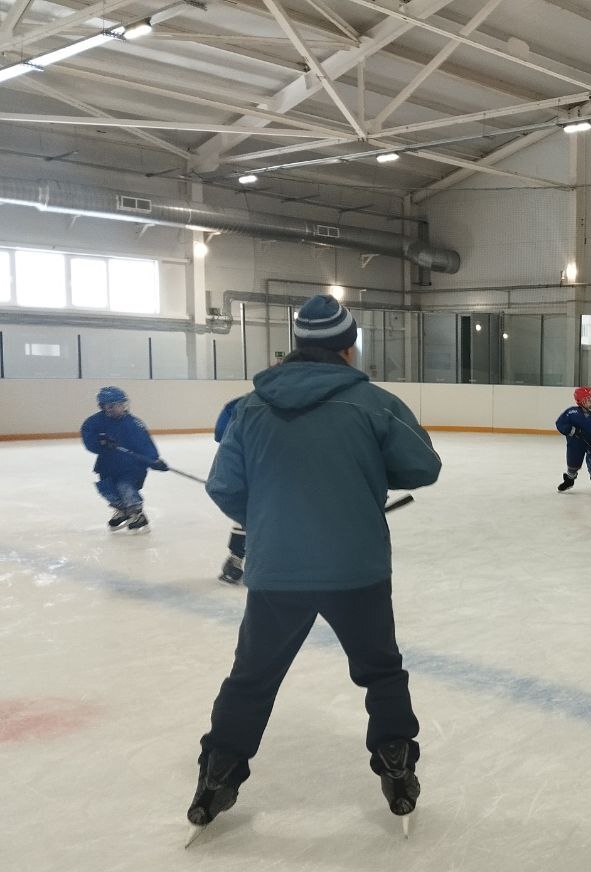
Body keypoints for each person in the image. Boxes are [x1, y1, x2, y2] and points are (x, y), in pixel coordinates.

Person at [190, 292, 443, 833]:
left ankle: (218, 774)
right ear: (349, 347)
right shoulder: (374, 403)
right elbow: (423, 466)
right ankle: (397, 765)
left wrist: (271, 522)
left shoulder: (249, 407)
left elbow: (225, 487)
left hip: (278, 570)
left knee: (252, 677)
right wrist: (363, 474)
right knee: (381, 670)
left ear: (296, 347)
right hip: (357, 568)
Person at [80, 386, 168, 534]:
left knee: (125, 487)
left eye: (122, 404)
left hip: (132, 466)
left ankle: (137, 514)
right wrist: (100, 442)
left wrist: (153, 460)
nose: (120, 408)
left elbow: (145, 444)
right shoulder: (93, 423)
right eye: (115, 405)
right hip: (107, 465)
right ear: (105, 407)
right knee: (108, 489)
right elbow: (90, 442)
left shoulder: (134, 423)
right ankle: (122, 511)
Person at [213, 394, 247, 585]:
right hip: (274, 472)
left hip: (246, 469)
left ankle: (235, 558)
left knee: (245, 515)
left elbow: (220, 434)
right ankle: (236, 557)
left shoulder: (240, 404)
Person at [555, 386, 591, 495]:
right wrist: (572, 430)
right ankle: (570, 480)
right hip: (575, 444)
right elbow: (560, 423)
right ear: (580, 401)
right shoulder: (572, 412)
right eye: (587, 400)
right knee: (573, 463)